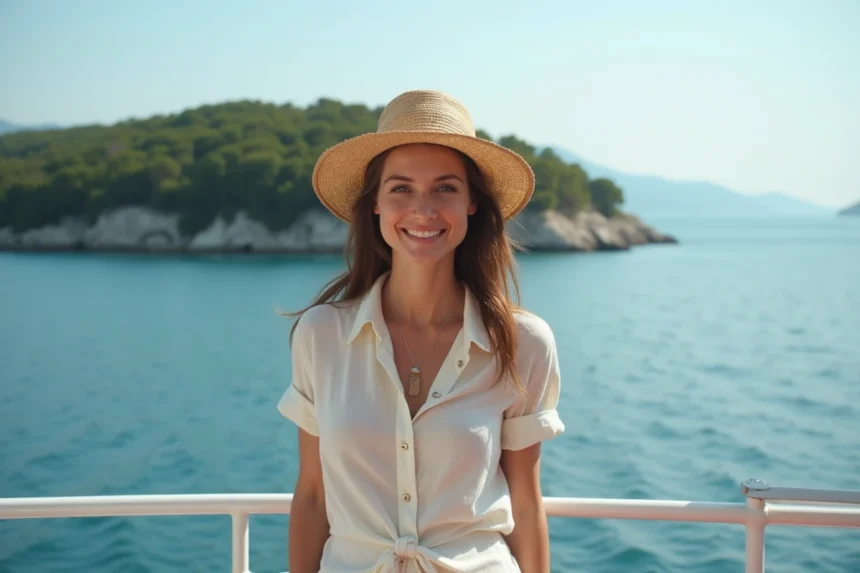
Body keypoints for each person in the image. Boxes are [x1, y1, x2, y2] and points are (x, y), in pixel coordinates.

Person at [278, 90, 565, 573]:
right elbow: (311, 496)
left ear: (472, 203)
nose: (423, 209)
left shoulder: (524, 343)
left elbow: (527, 501)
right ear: (374, 205)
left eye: (445, 188)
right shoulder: (321, 334)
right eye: (401, 188)